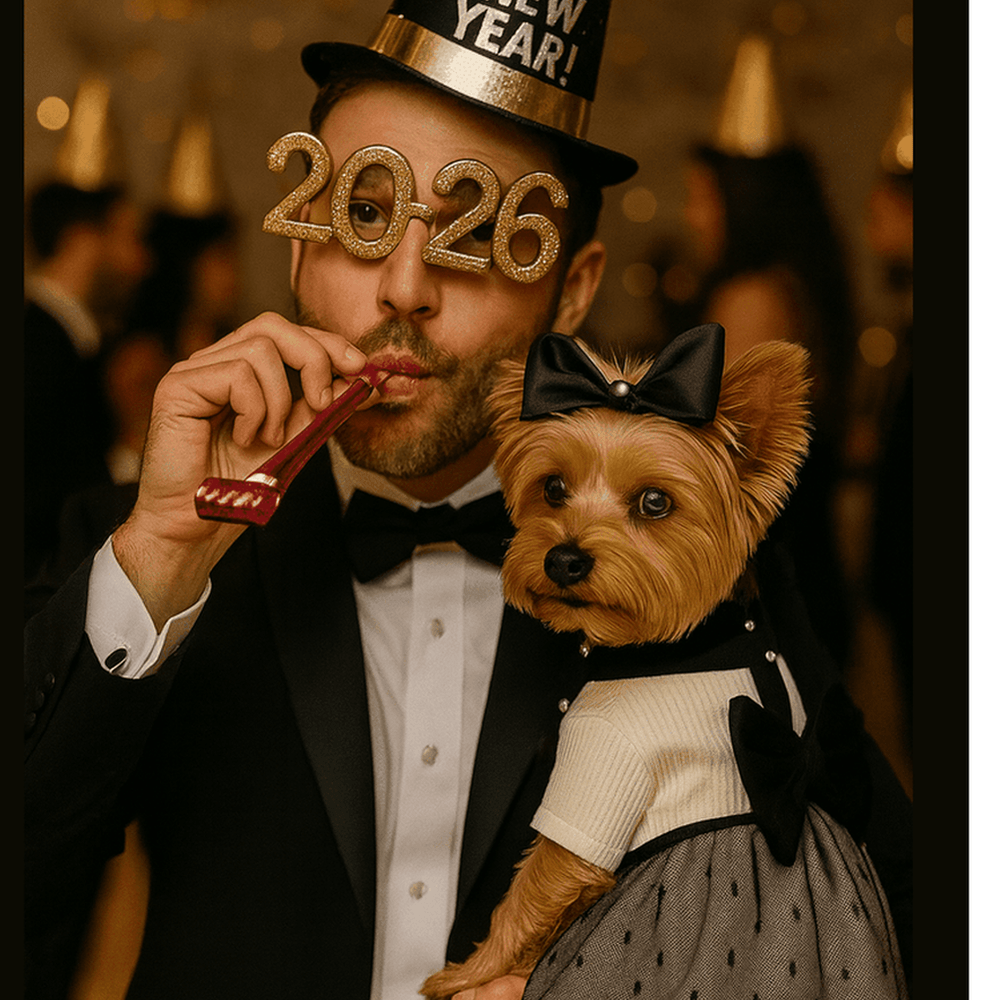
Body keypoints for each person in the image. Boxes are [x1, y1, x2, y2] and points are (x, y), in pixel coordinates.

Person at [24, 5, 912, 999]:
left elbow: (879, 907)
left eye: (482, 235)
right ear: (299, 246)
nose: (405, 287)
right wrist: (160, 555)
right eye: (364, 216)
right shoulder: (144, 542)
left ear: (570, 292)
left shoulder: (701, 583)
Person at [24, 178, 150, 582]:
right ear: (82, 241)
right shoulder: (38, 349)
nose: (142, 263)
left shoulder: (76, 344)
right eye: (129, 239)